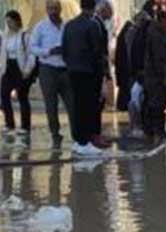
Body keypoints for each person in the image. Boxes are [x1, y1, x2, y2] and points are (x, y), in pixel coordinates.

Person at [62, 0, 108, 155]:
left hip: (73, 71)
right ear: (94, 7)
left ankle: (78, 140)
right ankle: (85, 142)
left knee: (77, 106)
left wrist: (70, 65)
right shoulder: (92, 25)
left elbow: (64, 50)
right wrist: (102, 75)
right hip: (89, 72)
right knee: (88, 107)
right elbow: (98, 52)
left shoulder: (69, 25)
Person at [31, 1, 72, 147]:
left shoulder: (67, 26)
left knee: (71, 103)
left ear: (60, 9)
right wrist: (48, 51)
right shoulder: (40, 27)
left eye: (55, 8)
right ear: (46, 10)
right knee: (51, 105)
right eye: (50, 9)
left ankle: (76, 134)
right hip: (48, 69)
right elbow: (33, 47)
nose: (53, 11)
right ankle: (55, 135)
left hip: (65, 69)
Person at [0, 11, 37, 142]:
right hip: (8, 68)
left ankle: (25, 126)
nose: (9, 24)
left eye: (10, 21)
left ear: (17, 21)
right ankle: (9, 124)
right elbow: (3, 54)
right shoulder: (5, 36)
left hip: (20, 68)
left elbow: (32, 54)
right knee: (4, 95)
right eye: (7, 21)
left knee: (22, 97)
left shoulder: (24, 35)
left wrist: (28, 69)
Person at [142, 8, 166, 142]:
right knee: (157, 104)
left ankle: (153, 131)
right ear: (160, 21)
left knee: (156, 104)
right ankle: (157, 131)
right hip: (156, 78)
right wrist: (164, 77)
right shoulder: (156, 36)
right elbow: (159, 58)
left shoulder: (159, 33)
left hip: (154, 76)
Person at [126, 1, 154, 135]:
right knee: (136, 99)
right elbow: (133, 54)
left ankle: (141, 126)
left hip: (140, 72)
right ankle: (136, 126)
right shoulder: (134, 33)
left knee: (139, 99)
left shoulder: (139, 33)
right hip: (137, 73)